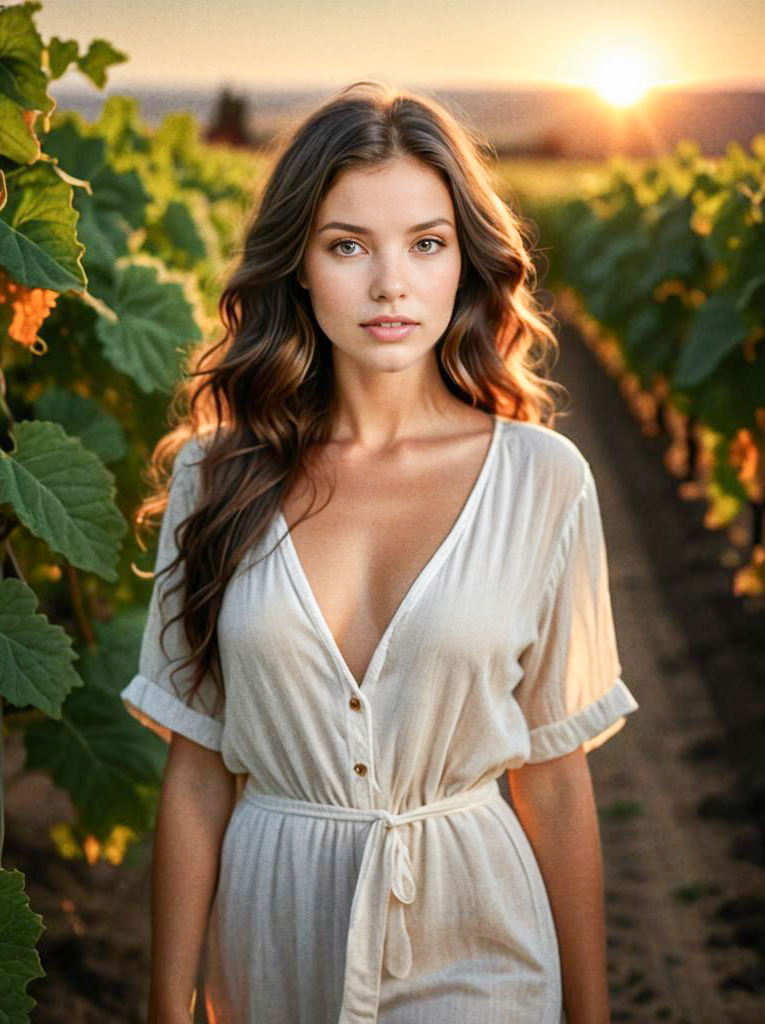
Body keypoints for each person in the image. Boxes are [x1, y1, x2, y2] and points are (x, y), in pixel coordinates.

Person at [120, 79, 639, 1024]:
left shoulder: (544, 480)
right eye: (348, 245)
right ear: (300, 267)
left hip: (480, 941)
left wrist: (591, 1017)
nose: (391, 284)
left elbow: (556, 783)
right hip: (270, 948)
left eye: (426, 244)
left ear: (465, 265)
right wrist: (167, 1006)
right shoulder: (215, 476)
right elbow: (197, 774)